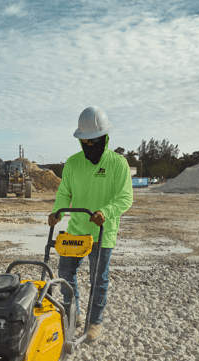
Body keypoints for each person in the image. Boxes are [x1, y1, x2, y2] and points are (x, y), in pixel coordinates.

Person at [48, 106, 133, 343]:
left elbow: (125, 197)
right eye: (85, 142)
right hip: (76, 230)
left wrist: (106, 212)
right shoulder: (73, 164)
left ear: (105, 137)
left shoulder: (118, 164)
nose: (90, 146)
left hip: (102, 232)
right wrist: (57, 212)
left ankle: (94, 323)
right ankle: (72, 315)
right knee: (65, 273)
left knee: (98, 279)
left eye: (94, 141)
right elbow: (64, 193)